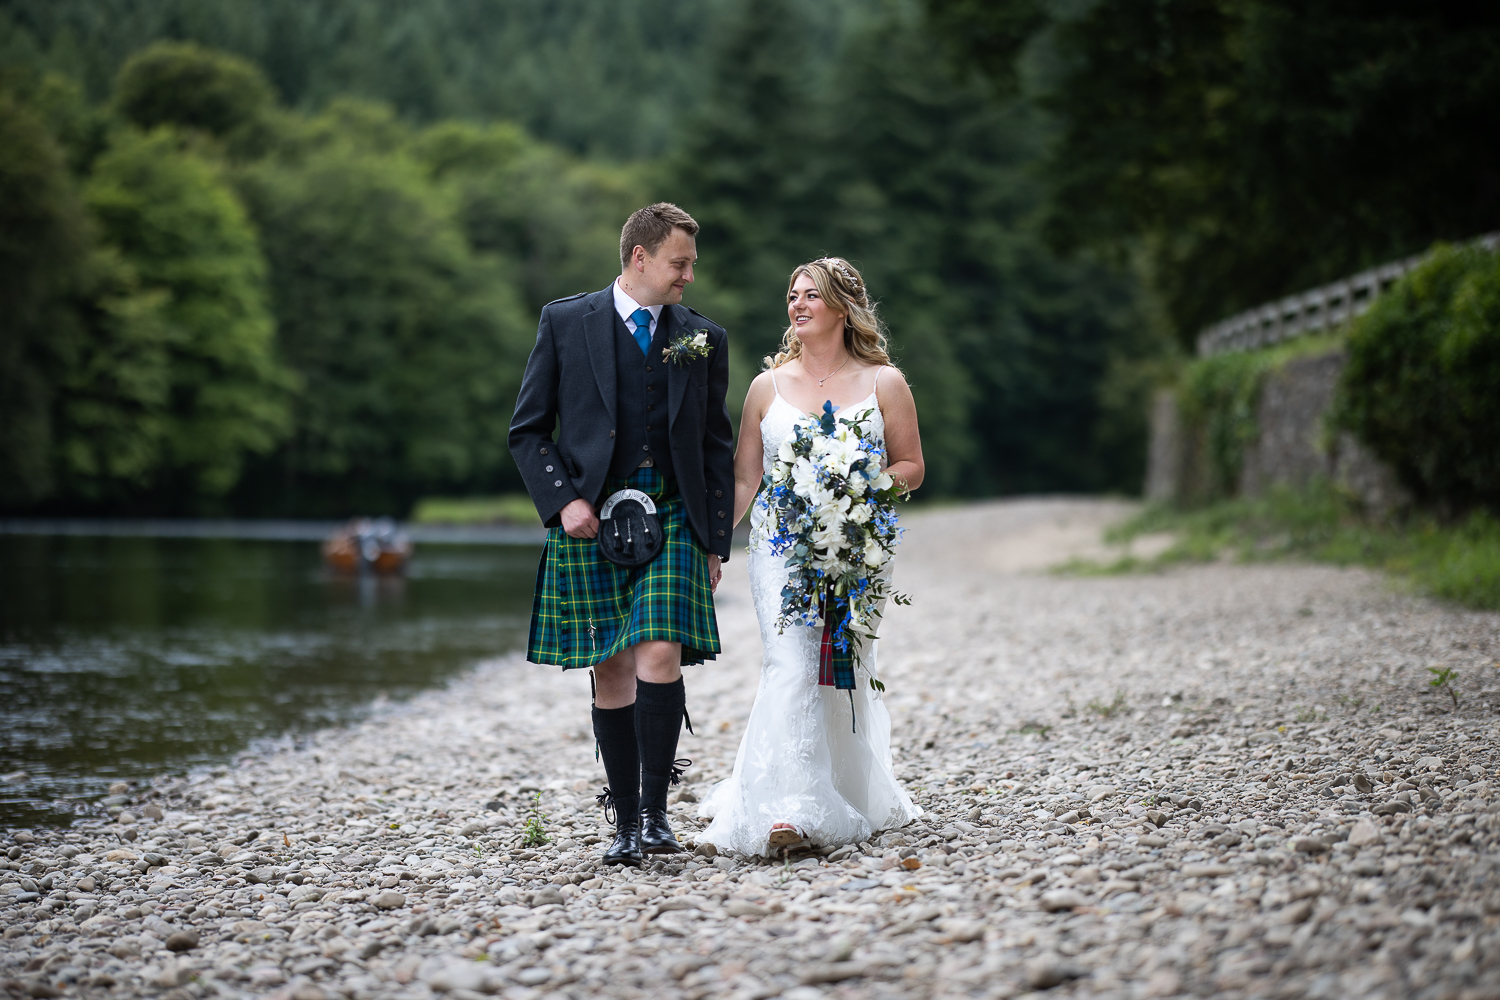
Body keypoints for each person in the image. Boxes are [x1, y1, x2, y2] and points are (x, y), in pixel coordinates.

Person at [509, 203, 734, 867]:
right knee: (610, 663)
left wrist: (715, 539)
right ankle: (626, 822)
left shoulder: (703, 337)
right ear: (640, 257)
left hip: (673, 514)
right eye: (679, 263)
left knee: (659, 651)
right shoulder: (565, 322)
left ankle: (658, 816)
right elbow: (528, 430)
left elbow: (715, 446)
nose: (688, 275)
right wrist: (563, 502)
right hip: (591, 520)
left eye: (691, 264)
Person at [698, 257, 924, 855]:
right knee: (792, 665)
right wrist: (714, 544)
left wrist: (862, 490)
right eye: (793, 295)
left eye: (811, 296)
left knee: (841, 666)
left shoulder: (885, 382)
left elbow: (911, 466)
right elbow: (745, 479)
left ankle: (845, 789)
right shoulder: (766, 387)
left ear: (843, 308)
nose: (797, 304)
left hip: (858, 545)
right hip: (780, 547)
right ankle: (790, 812)